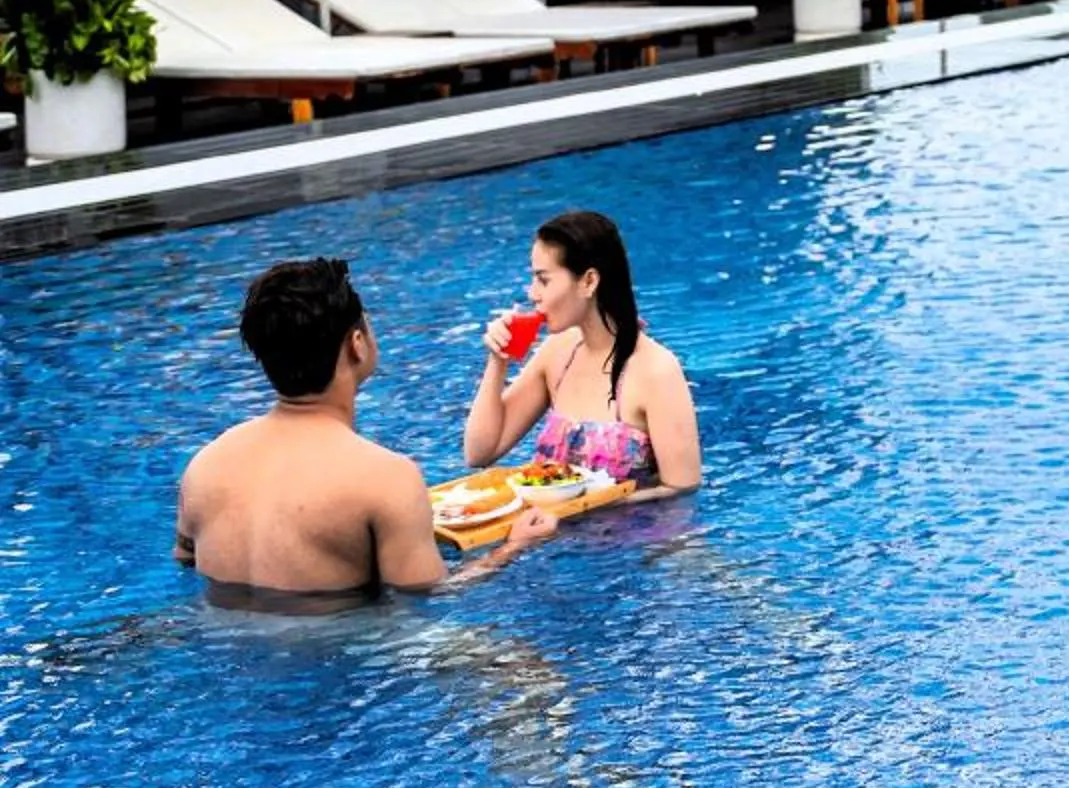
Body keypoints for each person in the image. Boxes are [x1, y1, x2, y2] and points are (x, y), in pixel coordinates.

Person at [177, 257, 554, 601]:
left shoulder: (206, 464)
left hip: (227, 637)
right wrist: (513, 546)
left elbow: (186, 560)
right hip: (341, 652)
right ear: (357, 344)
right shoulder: (386, 478)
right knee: (531, 674)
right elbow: (431, 594)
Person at [462, 210, 702, 497]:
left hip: (637, 536)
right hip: (556, 533)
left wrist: (588, 506)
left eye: (543, 280)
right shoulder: (558, 353)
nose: (532, 293)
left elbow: (681, 489)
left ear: (588, 281)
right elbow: (479, 453)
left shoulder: (656, 371)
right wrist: (497, 361)